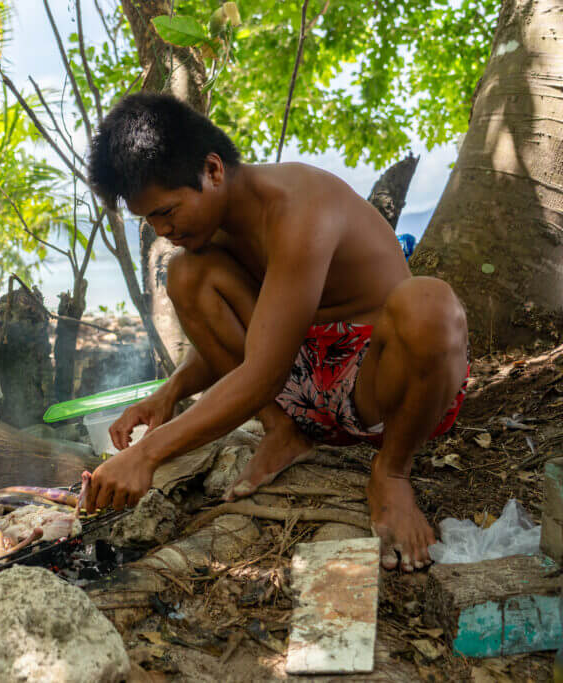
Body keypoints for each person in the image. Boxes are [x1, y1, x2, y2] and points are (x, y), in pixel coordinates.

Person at [82, 93, 469, 573]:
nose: (163, 231)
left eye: (166, 211)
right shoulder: (212, 232)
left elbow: (264, 370)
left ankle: (391, 471)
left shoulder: (298, 206)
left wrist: (147, 455)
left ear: (213, 170)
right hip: (304, 389)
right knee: (186, 274)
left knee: (429, 303)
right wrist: (169, 393)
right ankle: (283, 433)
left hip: (382, 387)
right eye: (151, 220)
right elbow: (266, 336)